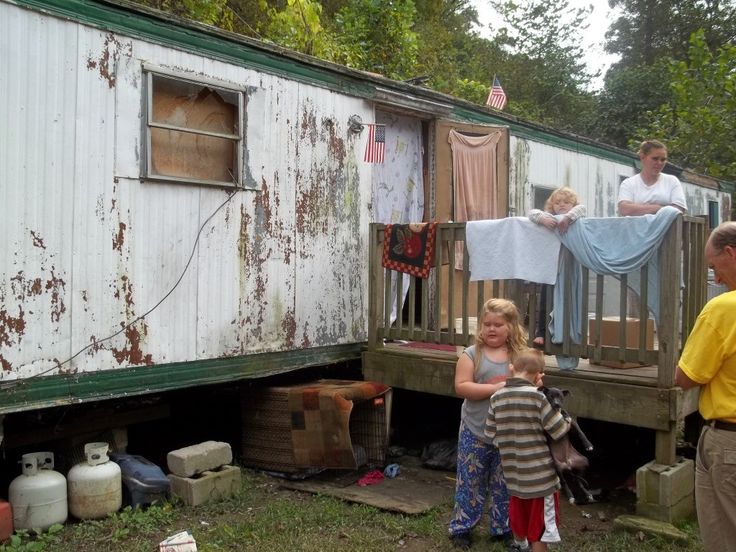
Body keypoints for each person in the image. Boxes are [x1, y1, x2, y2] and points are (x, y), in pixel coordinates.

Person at [675, 221, 736, 552]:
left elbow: (686, 377)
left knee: (724, 537)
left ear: (730, 253)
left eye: (714, 267)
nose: (716, 279)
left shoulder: (723, 308)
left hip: (728, 442)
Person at [448, 298, 528, 549]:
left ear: (511, 327)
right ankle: (461, 528)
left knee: (505, 483)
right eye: (487, 324)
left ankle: (503, 528)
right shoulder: (472, 354)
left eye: (498, 324)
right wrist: (496, 388)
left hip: (509, 433)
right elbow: (462, 386)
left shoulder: (520, 356)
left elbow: (533, 384)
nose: (491, 329)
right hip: (475, 430)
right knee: (470, 481)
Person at [485, 348, 571, 552]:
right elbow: (558, 430)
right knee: (539, 530)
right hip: (542, 481)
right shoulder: (538, 398)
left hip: (514, 478)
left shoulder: (496, 398)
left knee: (520, 521)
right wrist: (567, 420)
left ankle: (521, 546)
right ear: (539, 374)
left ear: (511, 368)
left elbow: (490, 435)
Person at [528, 186, 586, 346]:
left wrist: (567, 218)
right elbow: (532, 213)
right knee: (545, 300)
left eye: (566, 202)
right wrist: (543, 219)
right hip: (550, 267)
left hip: (569, 270)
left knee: (570, 300)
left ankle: (567, 331)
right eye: (558, 202)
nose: (561, 205)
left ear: (573, 205)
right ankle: (541, 332)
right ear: (552, 205)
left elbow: (582, 208)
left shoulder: (575, 219)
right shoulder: (550, 219)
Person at [618, 140, 688, 216]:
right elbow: (625, 210)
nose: (659, 163)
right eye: (655, 158)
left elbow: (679, 209)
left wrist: (639, 208)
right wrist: (659, 208)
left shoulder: (672, 181)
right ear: (642, 157)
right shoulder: (628, 183)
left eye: (663, 160)